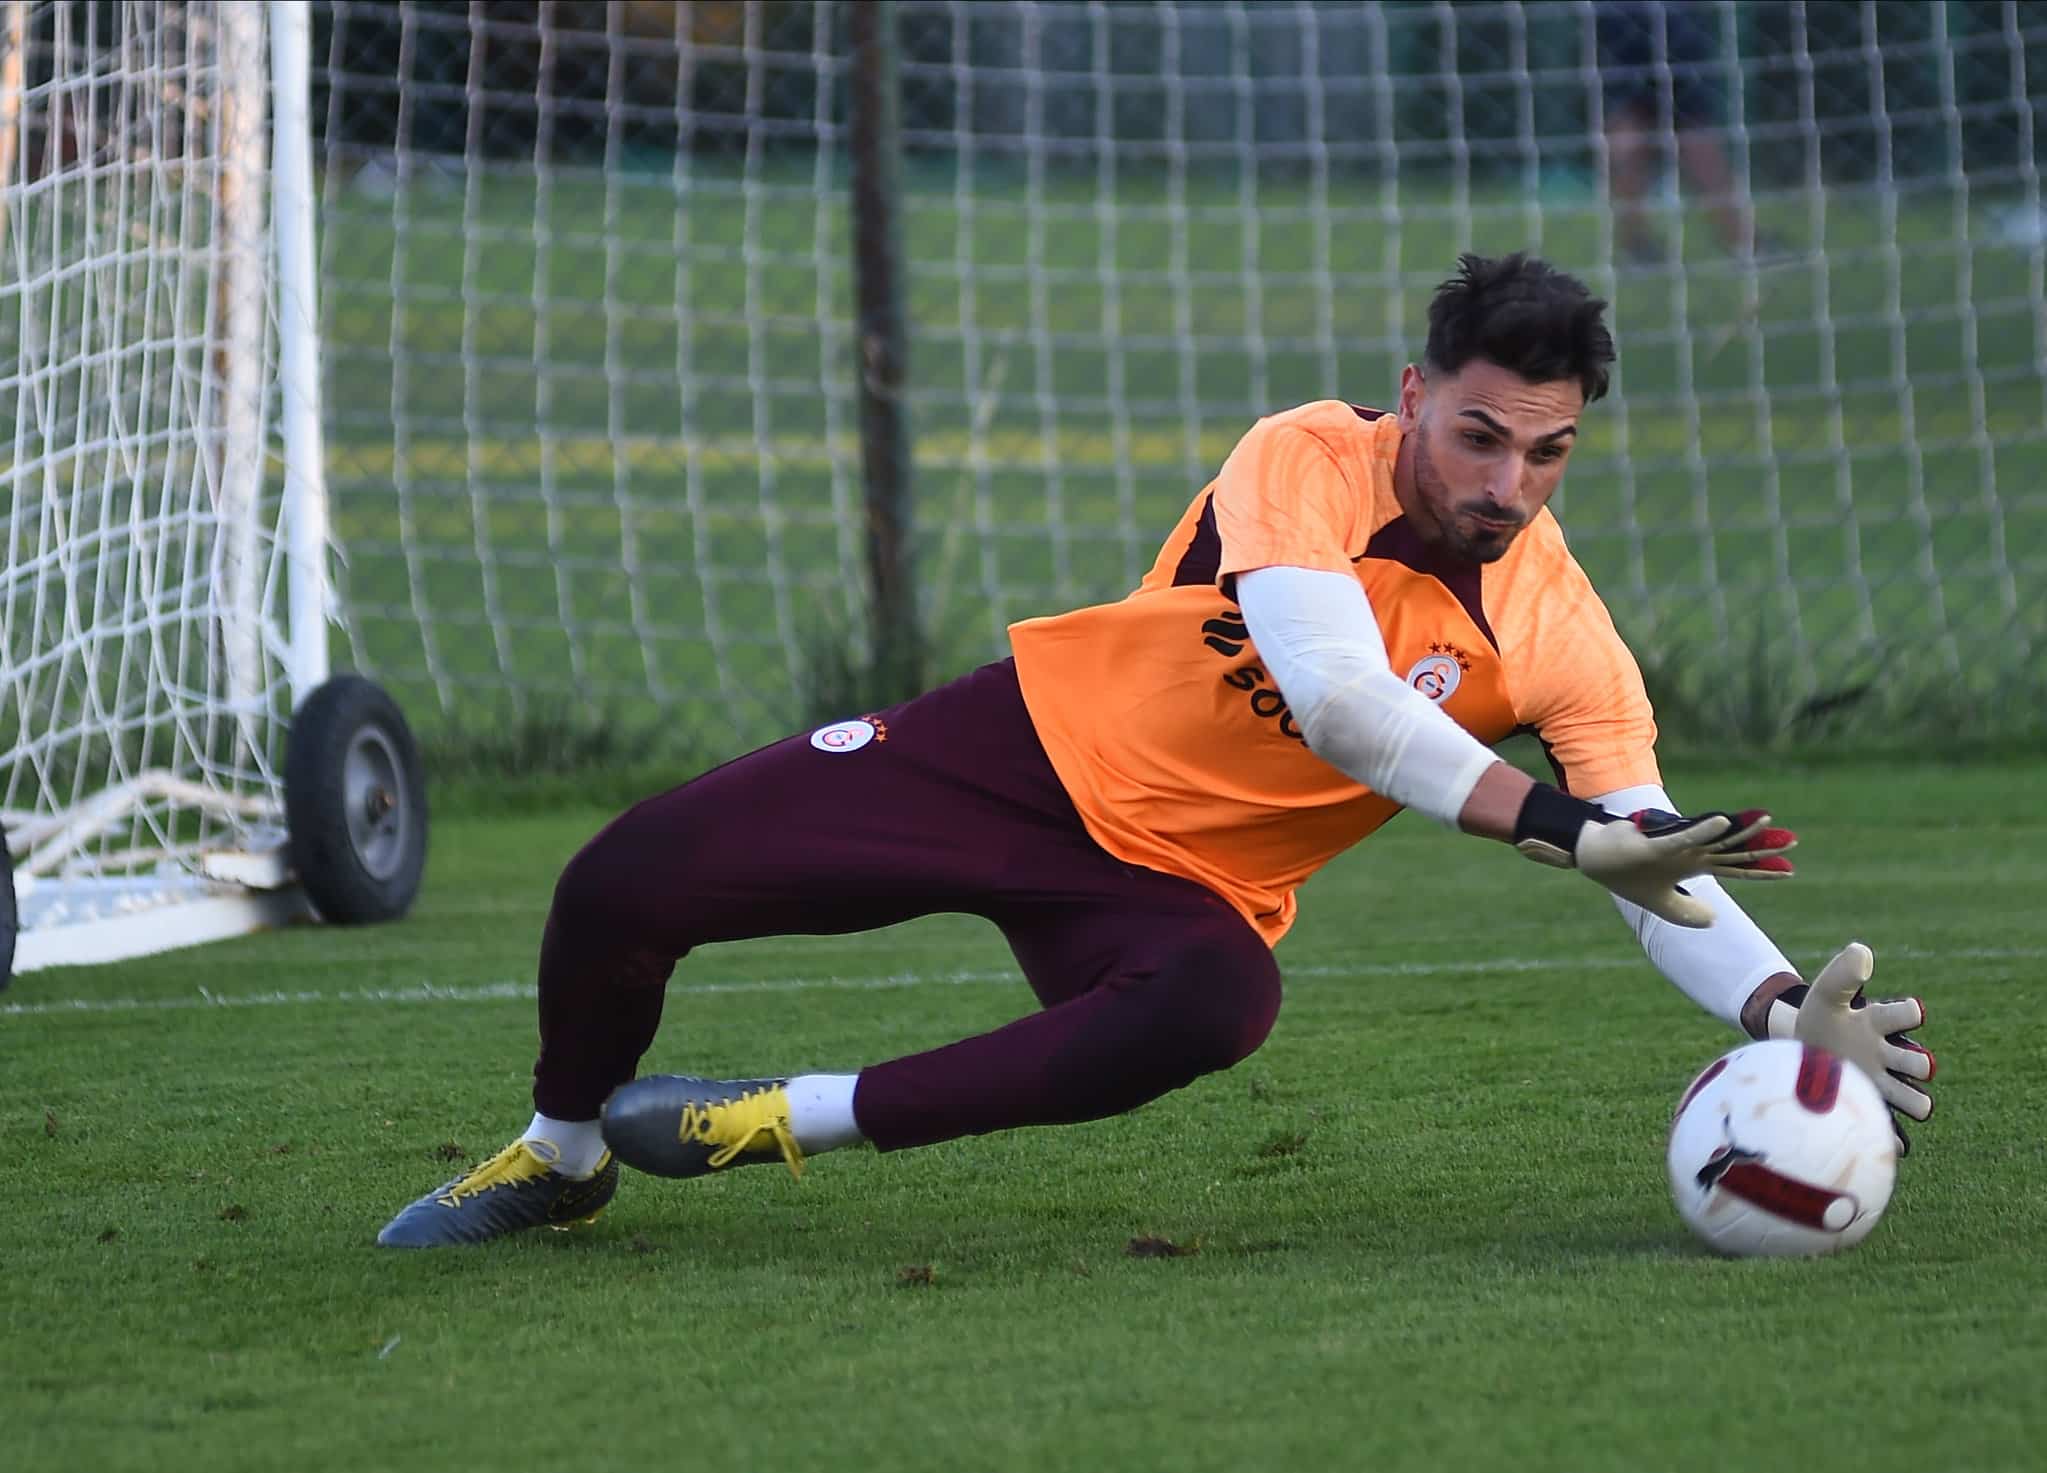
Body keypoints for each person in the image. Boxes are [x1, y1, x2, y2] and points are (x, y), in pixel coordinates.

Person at [376, 254, 1934, 1248]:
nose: (1506, 484)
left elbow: (1649, 858)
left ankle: (779, 1116)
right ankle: (561, 1152)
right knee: (624, 876)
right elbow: (1339, 700)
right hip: (1011, 750)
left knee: (1216, 1002)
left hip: (1173, 887)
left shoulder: (1562, 634)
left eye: (1547, 451)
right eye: (1478, 435)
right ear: (1413, 398)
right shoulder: (1302, 454)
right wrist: (1555, 826)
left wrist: (1772, 1001)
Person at [1593, 1, 1766, 265]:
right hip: (1667, 16)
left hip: (1621, 14)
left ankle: (1636, 246)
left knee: (1633, 118)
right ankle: (1743, 240)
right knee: (1688, 123)